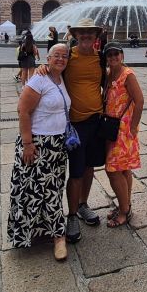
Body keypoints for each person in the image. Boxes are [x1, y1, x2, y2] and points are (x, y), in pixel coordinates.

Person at [37, 17, 106, 244]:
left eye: (90, 33)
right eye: (82, 33)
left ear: (96, 36)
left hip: (96, 121)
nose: (86, 36)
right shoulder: (69, 57)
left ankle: (84, 205)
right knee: (75, 173)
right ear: (76, 35)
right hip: (75, 126)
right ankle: (72, 215)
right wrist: (43, 67)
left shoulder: (100, 57)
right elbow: (53, 69)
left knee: (89, 168)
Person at [8, 43, 71, 260]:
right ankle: (33, 233)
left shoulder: (61, 79)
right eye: (56, 56)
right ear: (48, 57)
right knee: (31, 191)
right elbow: (22, 110)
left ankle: (56, 235)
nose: (61, 59)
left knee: (53, 190)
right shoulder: (39, 79)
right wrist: (27, 143)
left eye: (65, 56)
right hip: (36, 144)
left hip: (57, 146)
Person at [102, 43, 144, 228]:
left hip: (124, 128)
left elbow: (140, 100)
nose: (113, 57)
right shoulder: (108, 74)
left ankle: (124, 212)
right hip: (111, 127)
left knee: (112, 170)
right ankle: (125, 204)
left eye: (116, 54)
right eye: (109, 55)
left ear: (122, 55)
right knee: (124, 168)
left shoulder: (128, 74)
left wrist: (134, 126)